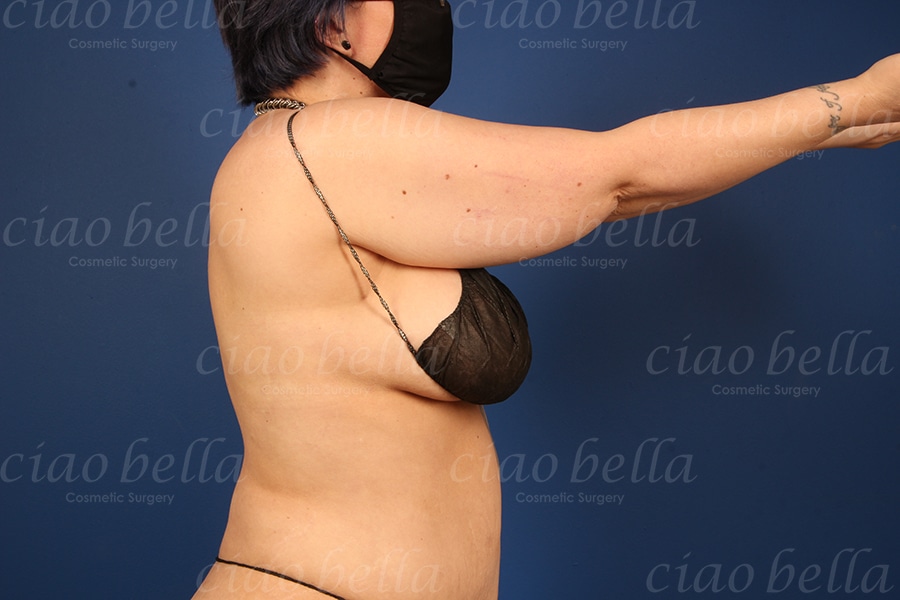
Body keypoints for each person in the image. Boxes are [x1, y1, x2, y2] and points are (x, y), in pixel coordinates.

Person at [195, 1, 899, 598]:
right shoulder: (324, 141)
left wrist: (834, 125)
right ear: (332, 25)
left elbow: (624, 193)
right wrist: (859, 96)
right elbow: (618, 177)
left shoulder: (279, 154)